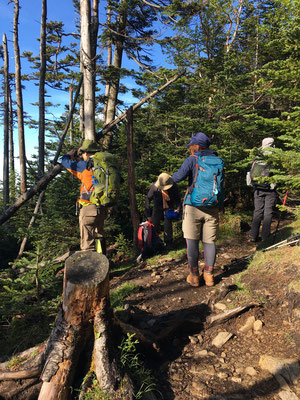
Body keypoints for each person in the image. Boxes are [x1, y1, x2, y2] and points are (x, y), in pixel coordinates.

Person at [172, 132, 224, 287]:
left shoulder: (192, 160)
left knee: (192, 242)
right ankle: (209, 275)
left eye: (191, 145)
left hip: (193, 206)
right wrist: (220, 205)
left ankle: (194, 276)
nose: (190, 148)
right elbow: (222, 185)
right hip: (212, 206)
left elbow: (176, 178)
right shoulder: (219, 161)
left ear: (196, 146)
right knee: (209, 242)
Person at [60, 139, 108, 253]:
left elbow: (65, 162)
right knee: (99, 236)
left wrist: (68, 155)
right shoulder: (104, 164)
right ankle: (103, 263)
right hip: (103, 207)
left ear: (85, 153)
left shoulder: (83, 165)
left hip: (88, 208)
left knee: (88, 243)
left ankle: (91, 268)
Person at [248, 137, 277, 242]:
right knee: (268, 212)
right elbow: (278, 172)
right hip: (270, 188)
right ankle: (265, 236)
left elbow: (251, 170)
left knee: (257, 211)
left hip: (258, 187)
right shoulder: (274, 155)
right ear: (272, 144)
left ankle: (253, 235)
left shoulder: (257, 154)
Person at [145, 173, 181, 248]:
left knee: (168, 224)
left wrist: (178, 209)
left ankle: (168, 243)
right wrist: (148, 215)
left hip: (169, 206)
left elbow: (178, 198)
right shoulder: (154, 187)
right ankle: (154, 243)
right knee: (154, 224)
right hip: (157, 206)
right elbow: (148, 199)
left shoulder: (174, 186)